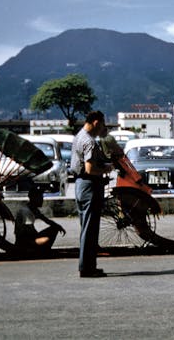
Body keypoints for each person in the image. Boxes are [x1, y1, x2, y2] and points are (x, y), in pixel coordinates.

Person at [71, 110, 113, 278]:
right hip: (89, 186)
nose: (102, 128)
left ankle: (88, 265)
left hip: (80, 186)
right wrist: (106, 169)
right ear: (96, 122)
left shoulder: (79, 136)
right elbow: (90, 169)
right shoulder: (89, 141)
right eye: (102, 124)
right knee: (90, 229)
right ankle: (87, 268)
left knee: (85, 227)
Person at [14, 187, 66, 253]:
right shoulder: (26, 211)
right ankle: (35, 250)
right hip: (24, 241)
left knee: (54, 228)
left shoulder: (34, 209)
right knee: (46, 239)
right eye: (40, 197)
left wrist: (58, 226)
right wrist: (40, 239)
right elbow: (30, 232)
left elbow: (46, 220)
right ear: (33, 198)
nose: (42, 200)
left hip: (30, 238)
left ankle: (41, 249)